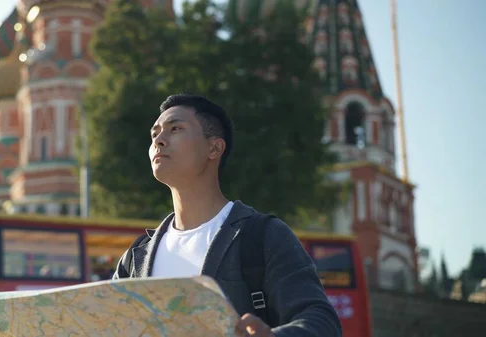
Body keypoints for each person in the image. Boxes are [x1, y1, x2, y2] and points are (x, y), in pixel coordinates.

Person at [113, 94, 342, 337]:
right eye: (154, 133)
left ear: (214, 147)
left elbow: (321, 322)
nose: (159, 140)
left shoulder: (262, 236)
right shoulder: (137, 258)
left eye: (175, 128)